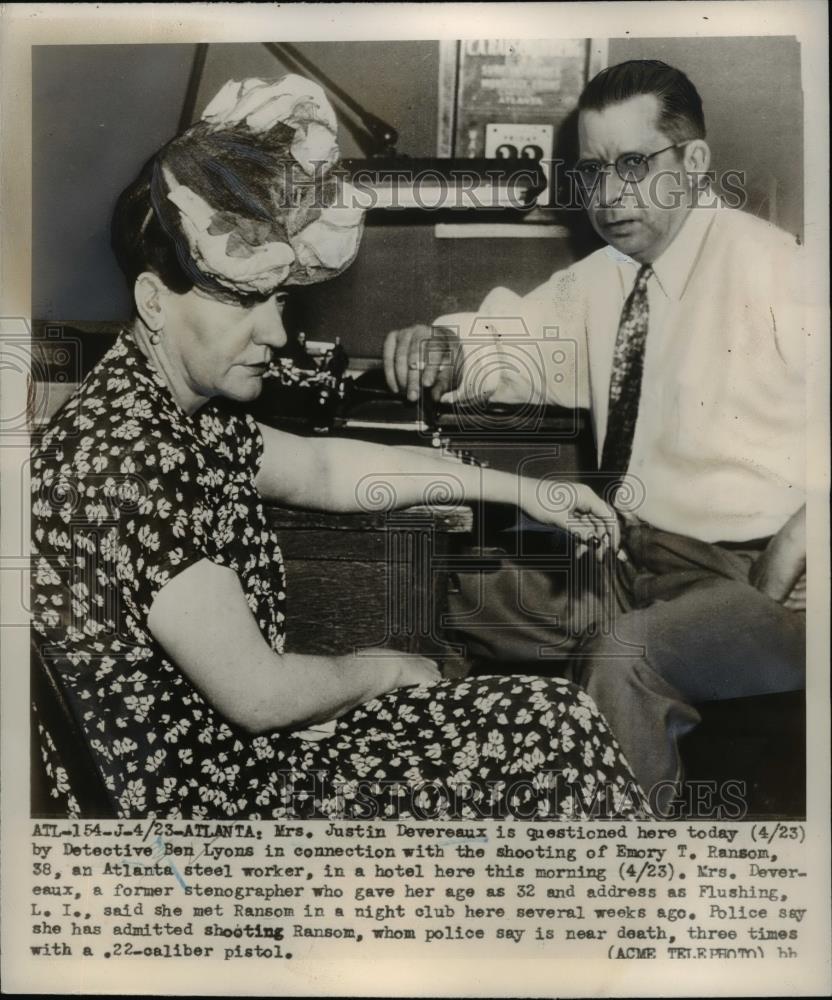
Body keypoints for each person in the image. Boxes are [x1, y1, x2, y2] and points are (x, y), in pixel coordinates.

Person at [31, 74, 651, 822]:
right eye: (242, 303)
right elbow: (259, 696)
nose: (276, 334)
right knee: (550, 733)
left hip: (247, 765)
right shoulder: (127, 456)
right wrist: (381, 669)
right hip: (216, 812)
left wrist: (526, 491)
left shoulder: (180, 412)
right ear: (154, 301)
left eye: (279, 298)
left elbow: (327, 468)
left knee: (558, 721)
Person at [383, 60, 808, 812]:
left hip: (750, 585)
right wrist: (447, 351)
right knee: (463, 597)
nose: (609, 196)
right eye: (594, 172)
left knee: (624, 660)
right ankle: (490, 820)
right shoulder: (611, 277)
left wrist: (789, 562)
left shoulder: (778, 270)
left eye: (634, 166)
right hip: (628, 556)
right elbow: (511, 341)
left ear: (696, 162)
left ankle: (631, 899)